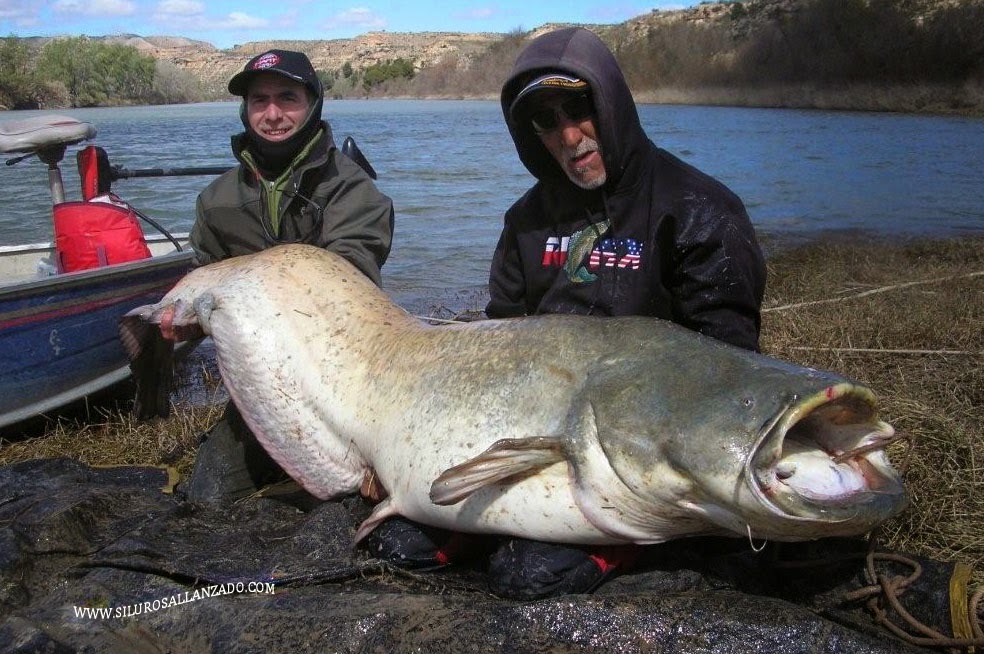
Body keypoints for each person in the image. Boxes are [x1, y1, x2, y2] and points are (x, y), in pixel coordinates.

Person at [366, 27, 766, 600]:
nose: (569, 136)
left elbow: (729, 365)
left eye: (579, 109)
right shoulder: (525, 221)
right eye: (546, 121)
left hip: (637, 451)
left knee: (530, 573)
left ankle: (627, 539)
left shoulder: (699, 209)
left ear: (613, 104)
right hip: (538, 431)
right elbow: (497, 345)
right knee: (400, 547)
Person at [183, 49, 395, 502]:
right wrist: (187, 324)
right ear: (245, 109)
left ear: (313, 103)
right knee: (209, 498)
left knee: (358, 493)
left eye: (287, 98)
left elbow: (352, 276)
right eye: (259, 100)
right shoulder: (216, 200)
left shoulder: (353, 189)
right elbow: (205, 281)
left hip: (348, 373)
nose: (273, 114)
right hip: (264, 375)